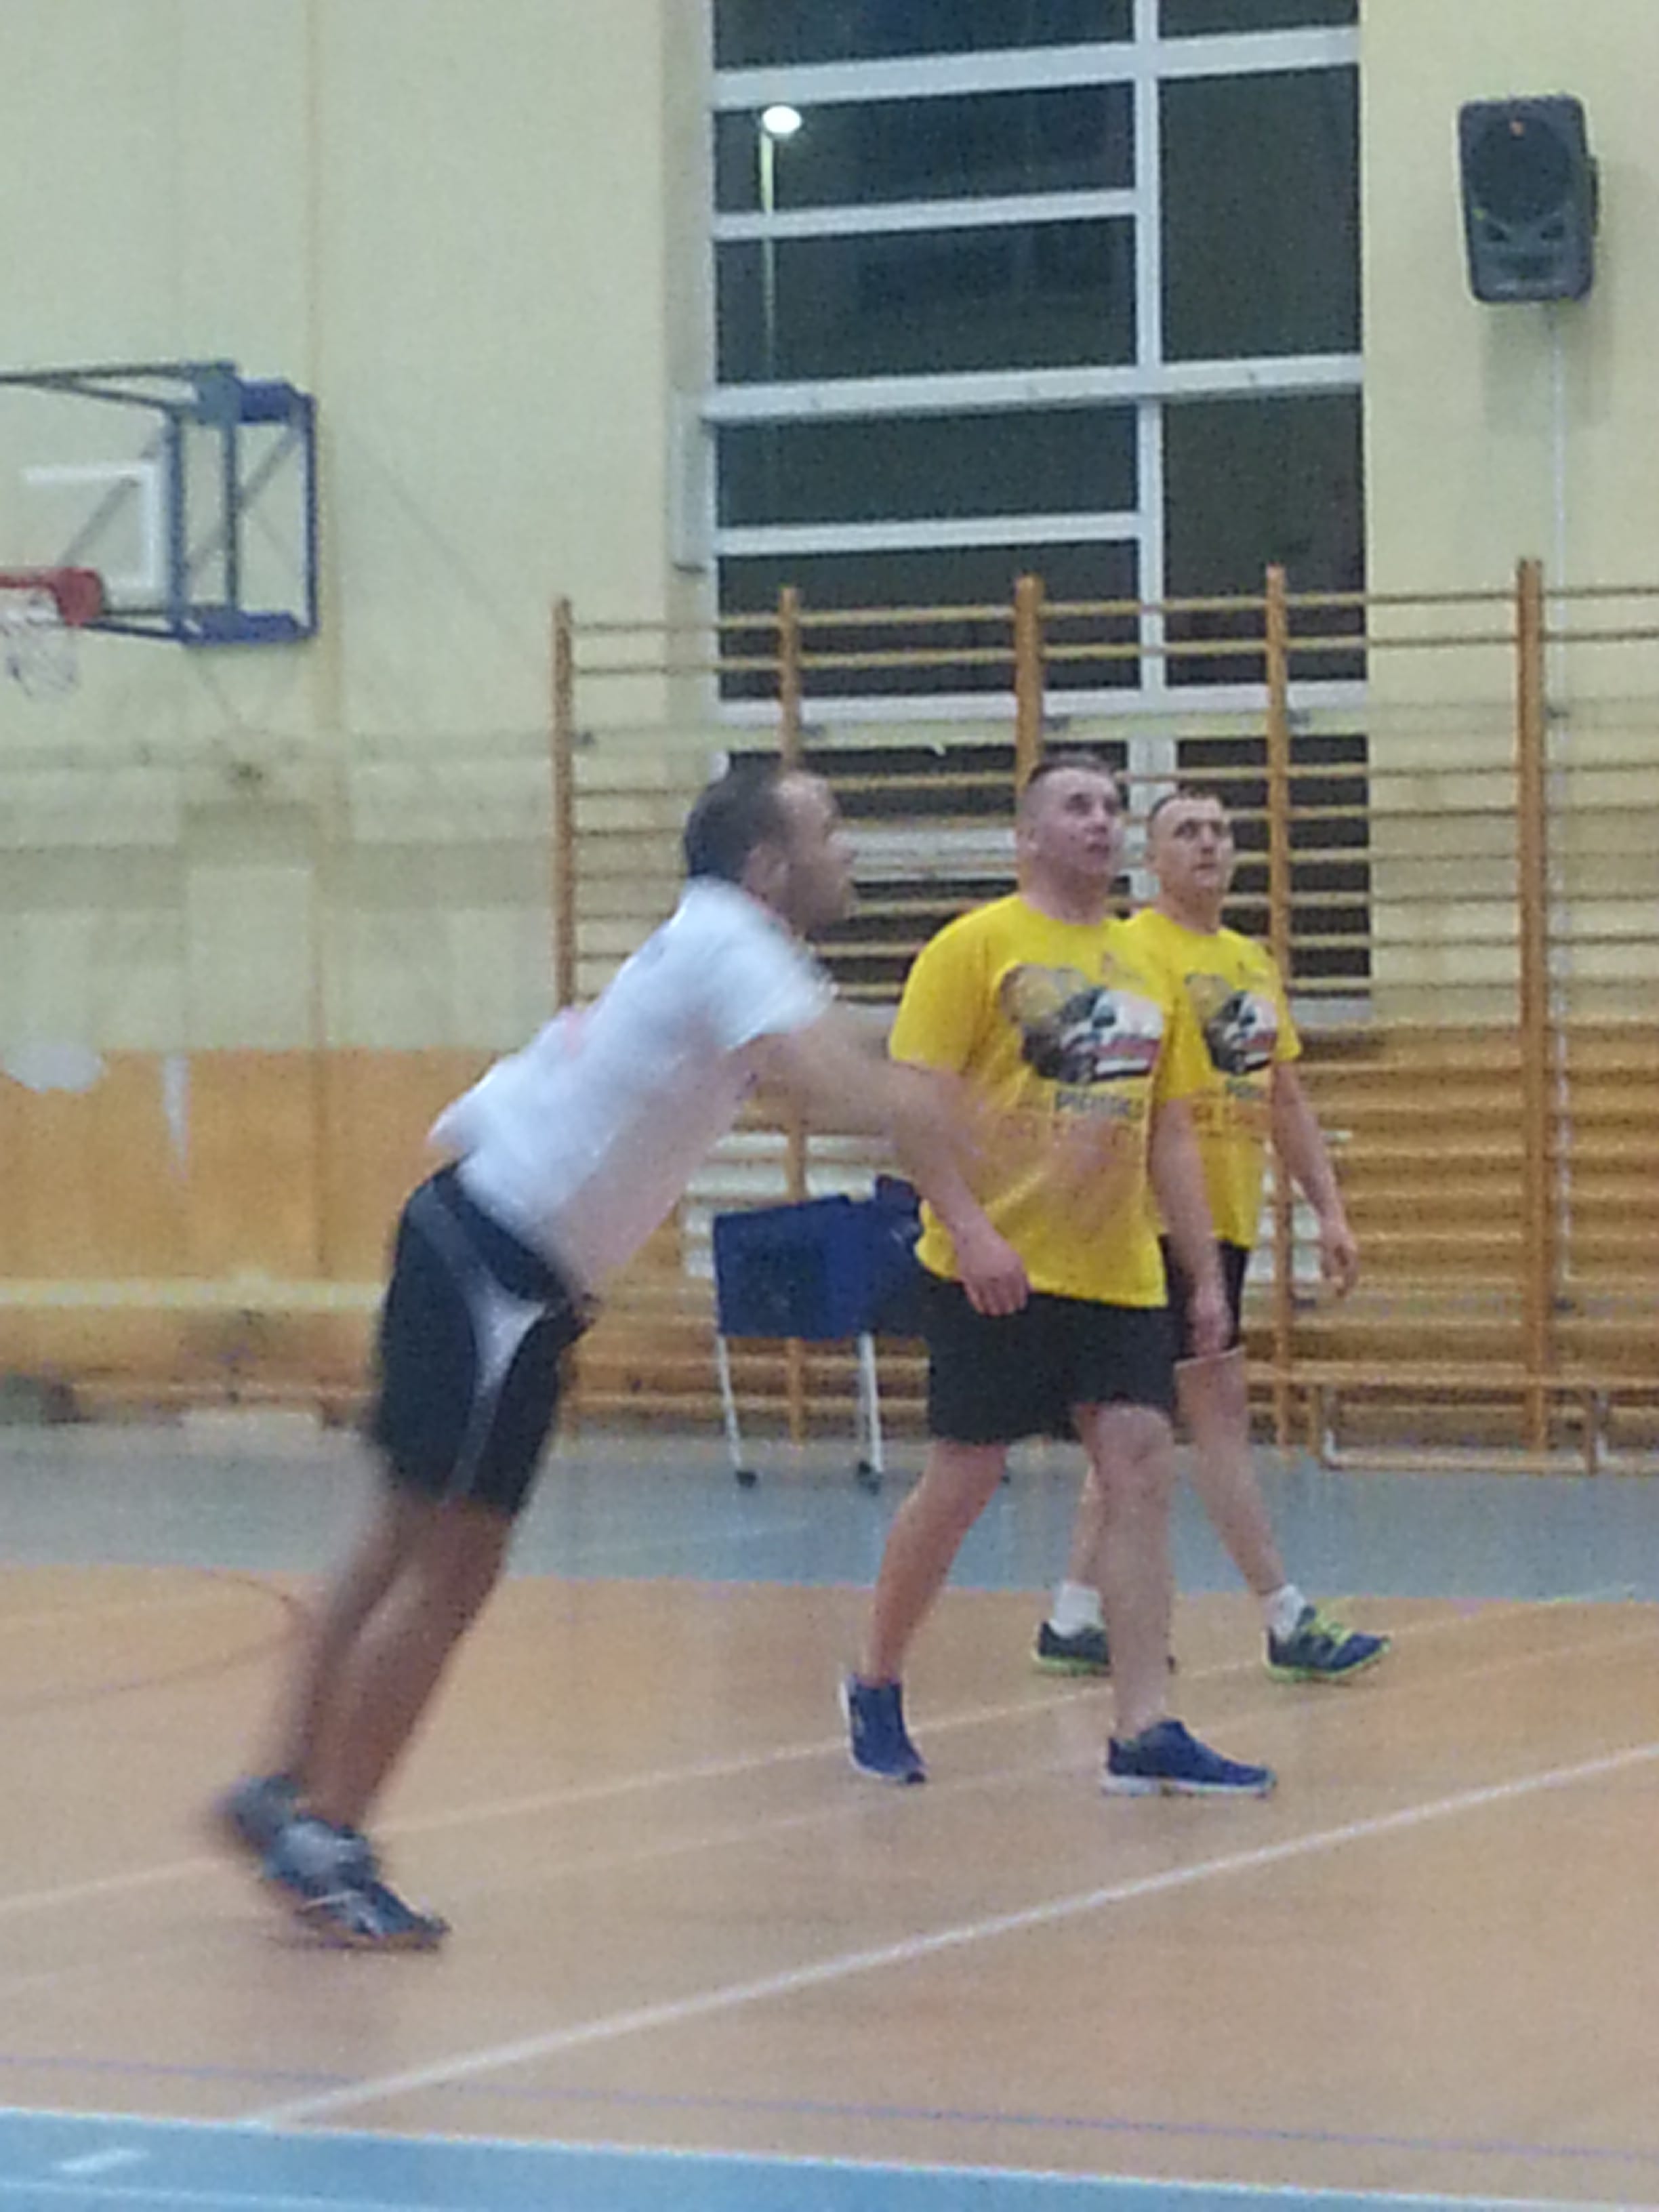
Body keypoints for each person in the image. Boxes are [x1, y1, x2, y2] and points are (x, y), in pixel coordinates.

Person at [212, 762, 974, 1948]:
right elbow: (839, 1088)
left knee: (404, 1534)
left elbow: (837, 1051)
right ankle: (328, 1834)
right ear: (767, 863)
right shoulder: (736, 948)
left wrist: (953, 1067)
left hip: (471, 1240)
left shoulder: (724, 945)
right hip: (500, 1271)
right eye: (829, 829)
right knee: (454, 1566)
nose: (850, 850)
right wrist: (977, 1114)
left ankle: (283, 1785)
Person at [842, 752, 1275, 1798]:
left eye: (1112, 807)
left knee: (1139, 1465)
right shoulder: (974, 948)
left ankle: (1143, 1726)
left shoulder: (1143, 967)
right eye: (1078, 807)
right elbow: (913, 1109)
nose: (1101, 822)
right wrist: (970, 1231)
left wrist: (1199, 1271)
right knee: (964, 1481)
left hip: (1117, 1273)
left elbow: (1170, 1128)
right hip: (993, 1265)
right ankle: (876, 1678)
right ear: (1029, 834)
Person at [1033, 786, 1388, 1684]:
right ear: (1151, 857)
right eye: (1185, 831)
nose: (1208, 844)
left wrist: (1329, 1209)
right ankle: (1284, 1612)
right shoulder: (1131, 952)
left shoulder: (1250, 961)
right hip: (1145, 1224)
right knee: (1215, 1416)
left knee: (1135, 1426)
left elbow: (1285, 1096)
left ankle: (1073, 1613)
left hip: (1224, 1219)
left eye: (1220, 831)